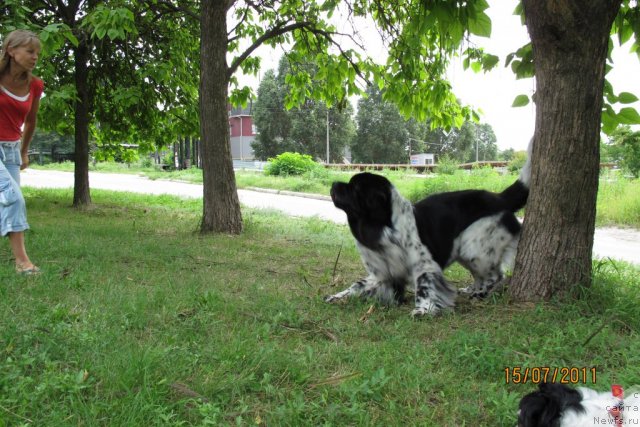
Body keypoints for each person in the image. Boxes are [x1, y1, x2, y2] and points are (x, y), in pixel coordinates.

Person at [0, 29, 43, 275]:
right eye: (29, 51)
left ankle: (20, 260)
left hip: (11, 151)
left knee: (7, 201)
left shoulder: (35, 85)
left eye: (37, 53)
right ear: (11, 50)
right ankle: (23, 262)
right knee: (14, 197)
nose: (34, 57)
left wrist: (24, 151)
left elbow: (32, 120)